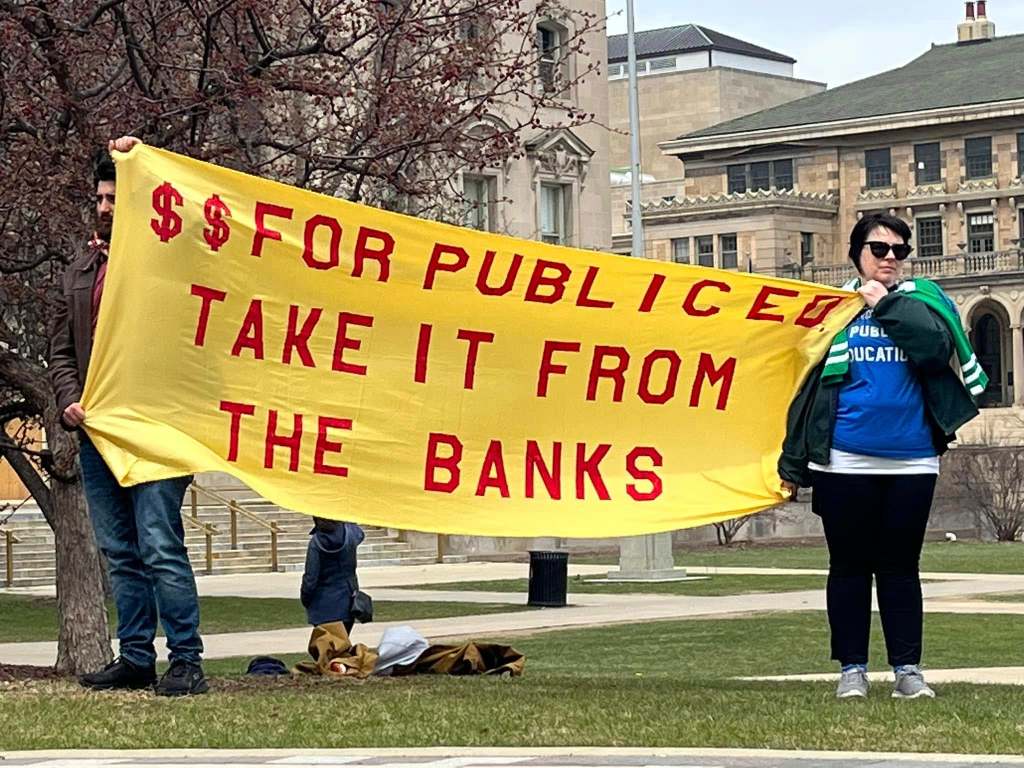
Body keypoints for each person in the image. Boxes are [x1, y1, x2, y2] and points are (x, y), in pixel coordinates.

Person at [778, 212, 982, 700]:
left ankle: (907, 670)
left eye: (899, 250)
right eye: (879, 248)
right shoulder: (834, 309)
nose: (890, 257)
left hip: (911, 460)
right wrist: (792, 464)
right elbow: (801, 384)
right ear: (856, 254)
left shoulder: (923, 302)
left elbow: (933, 350)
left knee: (901, 566)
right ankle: (852, 669)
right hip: (843, 459)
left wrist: (886, 303)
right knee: (848, 566)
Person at [49, 136, 208, 696]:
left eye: (115, 199)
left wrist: (146, 159)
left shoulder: (169, 261)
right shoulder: (80, 270)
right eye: (100, 198)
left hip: (159, 428)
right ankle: (136, 657)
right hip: (98, 431)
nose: (104, 208)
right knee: (120, 551)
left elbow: (203, 221)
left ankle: (186, 661)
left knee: (159, 544)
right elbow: (61, 350)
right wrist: (69, 399)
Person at [300, 517, 364, 633]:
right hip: (348, 600)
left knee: (326, 643)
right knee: (343, 642)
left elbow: (310, 578)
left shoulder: (316, 542)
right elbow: (360, 534)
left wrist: (306, 599)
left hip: (322, 604)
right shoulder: (350, 533)